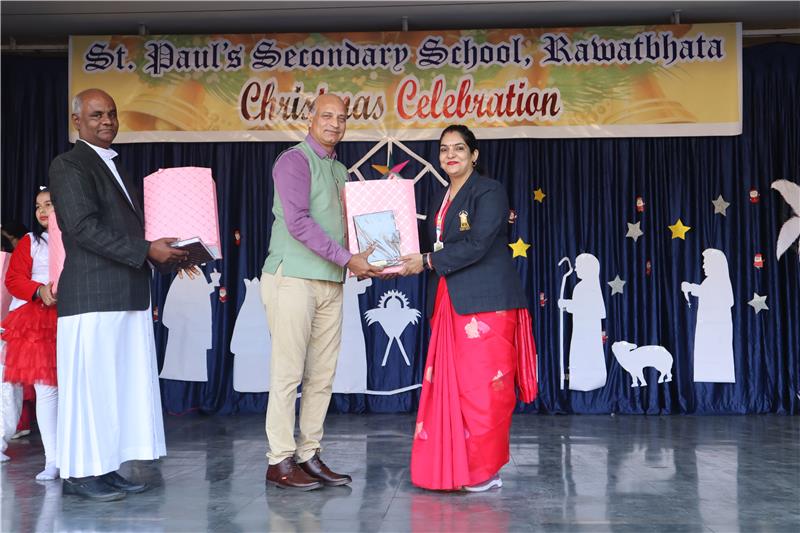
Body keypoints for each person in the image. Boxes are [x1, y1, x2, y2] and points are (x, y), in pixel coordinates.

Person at [48, 88, 189, 501]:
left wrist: (167, 253)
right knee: (90, 390)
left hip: (124, 293)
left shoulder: (114, 166)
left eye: (111, 113)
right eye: (96, 115)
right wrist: (146, 250)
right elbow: (82, 228)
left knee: (113, 391)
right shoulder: (69, 164)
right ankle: (80, 473)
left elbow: (127, 232)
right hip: (92, 297)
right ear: (77, 121)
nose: (107, 121)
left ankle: (105, 467)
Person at [397, 125, 538, 492]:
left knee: (484, 390)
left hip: (487, 303)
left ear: (474, 155)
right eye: (445, 149)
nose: (451, 155)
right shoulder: (439, 197)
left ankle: (484, 471)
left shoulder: (489, 191)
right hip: (449, 299)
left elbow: (477, 244)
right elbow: (431, 246)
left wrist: (426, 261)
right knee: (455, 388)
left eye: (459, 148)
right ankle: (453, 469)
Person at [261, 93, 381, 491]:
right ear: (310, 119)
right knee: (287, 373)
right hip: (293, 277)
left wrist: (368, 259)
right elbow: (298, 223)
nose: (335, 123)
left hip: (331, 280)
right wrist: (349, 259)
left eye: (341, 118)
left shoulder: (340, 170)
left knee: (322, 375)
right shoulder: (294, 161)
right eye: (326, 115)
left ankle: (308, 454)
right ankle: (279, 459)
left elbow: (346, 227)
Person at [1, 188, 59, 479]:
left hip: (72, 315)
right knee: (47, 389)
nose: (42, 211)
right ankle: (53, 460)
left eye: (49, 204)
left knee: (75, 389)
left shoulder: (77, 240)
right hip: (36, 320)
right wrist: (39, 291)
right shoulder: (32, 241)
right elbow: (13, 280)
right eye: (38, 206)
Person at [681, 248, 735, 382]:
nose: (703, 266)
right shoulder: (711, 281)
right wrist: (691, 287)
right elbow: (705, 291)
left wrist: (691, 287)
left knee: (716, 355)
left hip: (716, 329)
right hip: (709, 328)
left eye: (706, 263)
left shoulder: (719, 281)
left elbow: (714, 294)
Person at [558, 253, 608, 391]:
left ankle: (586, 379)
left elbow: (590, 309)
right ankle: (579, 379)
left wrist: (567, 304)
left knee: (587, 356)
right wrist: (568, 305)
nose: (575, 269)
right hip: (583, 331)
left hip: (587, 332)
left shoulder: (586, 287)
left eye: (578, 266)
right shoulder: (583, 287)